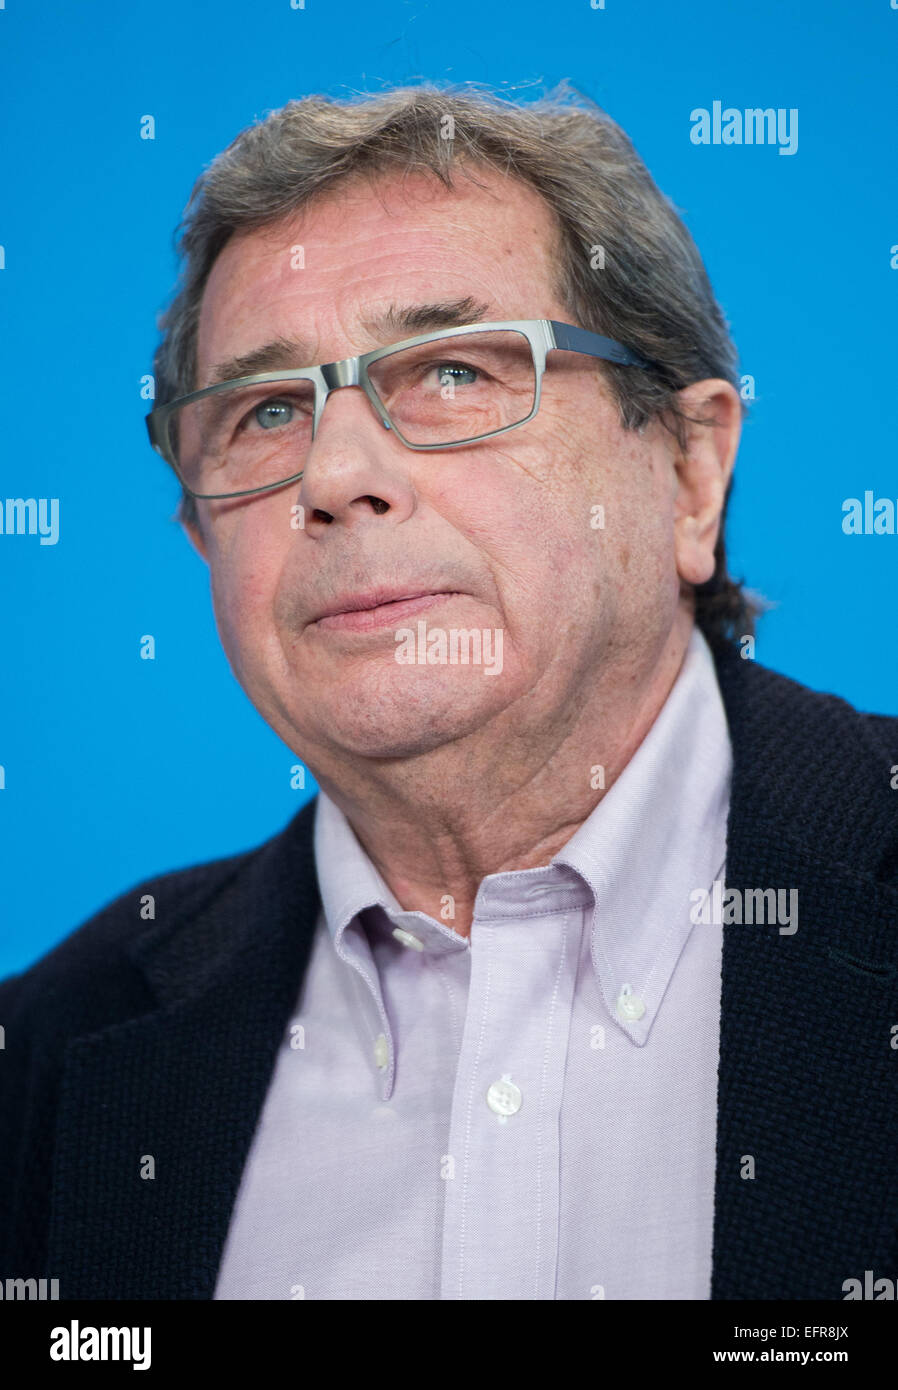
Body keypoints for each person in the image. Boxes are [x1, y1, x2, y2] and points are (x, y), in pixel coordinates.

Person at [2, 84, 896, 1301]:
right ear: (202, 536)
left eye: (455, 375)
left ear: (690, 473)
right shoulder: (50, 1054)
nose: (336, 473)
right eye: (268, 410)